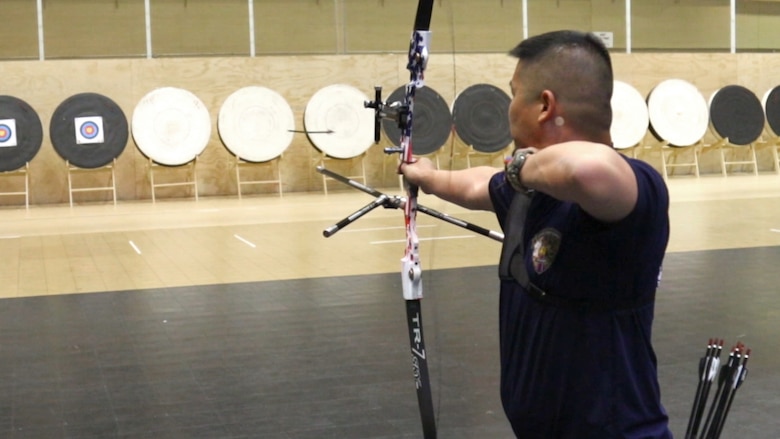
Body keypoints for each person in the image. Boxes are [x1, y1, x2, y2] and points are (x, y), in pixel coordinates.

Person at [400, 30, 673, 438]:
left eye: (514, 94)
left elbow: (587, 169)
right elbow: (480, 184)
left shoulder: (635, 187)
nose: (508, 108)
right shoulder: (534, 191)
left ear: (544, 106)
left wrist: (517, 168)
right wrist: (430, 176)